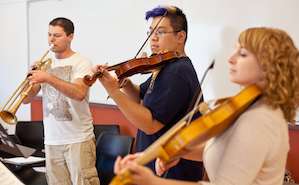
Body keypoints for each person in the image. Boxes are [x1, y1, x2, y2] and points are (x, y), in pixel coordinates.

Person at [113, 27, 299, 185]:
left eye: (242, 54)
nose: (230, 58)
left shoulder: (260, 120)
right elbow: (224, 149)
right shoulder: (251, 107)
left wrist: (153, 181)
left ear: (269, 66)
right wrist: (175, 153)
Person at [92, 5, 204, 181]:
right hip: (156, 170)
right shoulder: (165, 66)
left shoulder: (177, 72)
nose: (153, 38)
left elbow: (150, 124)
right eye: (151, 32)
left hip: (171, 174)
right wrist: (126, 84)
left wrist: (113, 91)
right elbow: (141, 96)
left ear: (180, 37)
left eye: (160, 32)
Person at [23, 17, 100, 185]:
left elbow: (79, 93)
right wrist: (28, 78)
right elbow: (26, 100)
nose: (51, 40)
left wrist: (49, 77)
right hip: (51, 140)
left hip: (78, 139)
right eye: (49, 35)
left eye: (57, 35)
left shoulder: (82, 61)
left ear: (70, 36)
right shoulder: (45, 65)